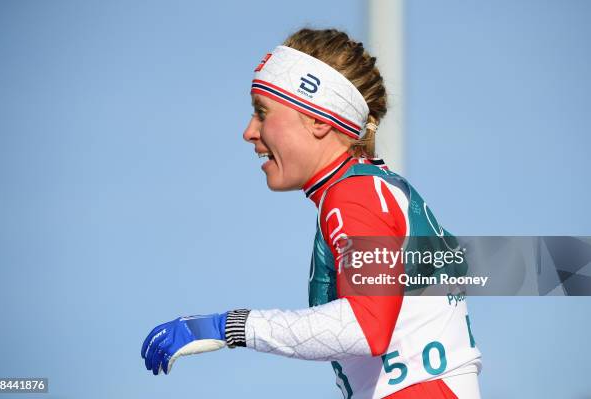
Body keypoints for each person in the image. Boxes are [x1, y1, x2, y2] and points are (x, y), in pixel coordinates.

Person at [141, 28, 482, 399]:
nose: (249, 132)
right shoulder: (368, 189)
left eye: (262, 113)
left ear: (320, 120)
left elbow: (365, 325)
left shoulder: (355, 193)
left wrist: (227, 327)